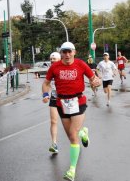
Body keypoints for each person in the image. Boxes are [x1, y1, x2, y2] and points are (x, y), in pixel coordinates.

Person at [42, 42, 101, 181]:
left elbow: (94, 79)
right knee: (71, 136)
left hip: (78, 101)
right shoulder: (55, 67)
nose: (67, 55)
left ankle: (72, 170)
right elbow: (46, 83)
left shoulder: (81, 64)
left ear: (74, 52)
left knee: (73, 136)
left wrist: (96, 82)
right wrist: (45, 95)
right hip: (62, 103)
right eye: (64, 52)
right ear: (61, 53)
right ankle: (83, 132)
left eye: (70, 52)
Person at [45, 52, 61, 154]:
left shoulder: (65, 68)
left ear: (59, 59)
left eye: (54, 59)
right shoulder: (50, 70)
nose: (52, 61)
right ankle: (54, 144)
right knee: (53, 121)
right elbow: (46, 84)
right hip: (54, 98)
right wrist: (46, 94)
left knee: (72, 123)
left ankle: (78, 137)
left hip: (67, 98)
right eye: (51, 59)